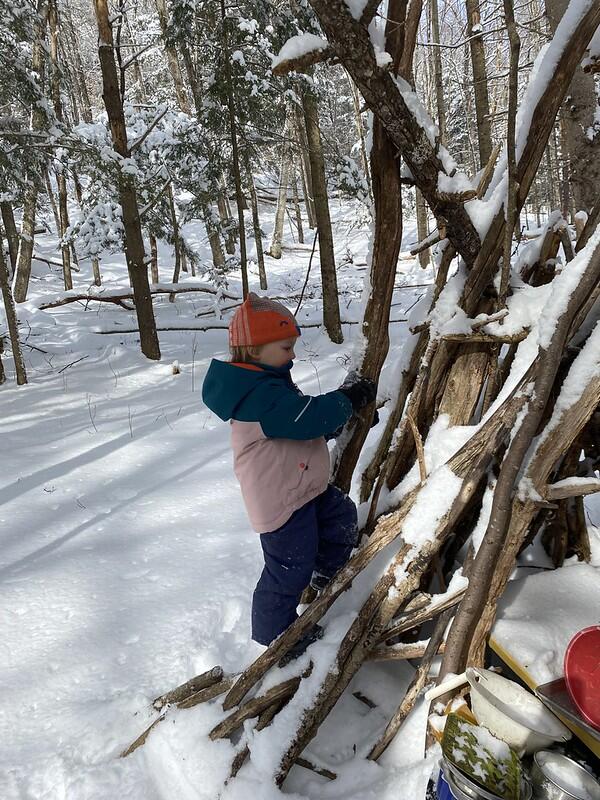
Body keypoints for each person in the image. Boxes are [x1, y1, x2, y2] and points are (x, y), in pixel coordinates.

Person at [202, 293, 377, 663]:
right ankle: (275, 635)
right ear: (254, 350)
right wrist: (346, 401)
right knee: (287, 570)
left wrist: (343, 417)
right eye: (286, 347)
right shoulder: (256, 395)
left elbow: (298, 428)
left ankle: (327, 575)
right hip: (280, 503)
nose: (293, 355)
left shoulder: (269, 383)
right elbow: (305, 419)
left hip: (303, 488)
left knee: (340, 516)